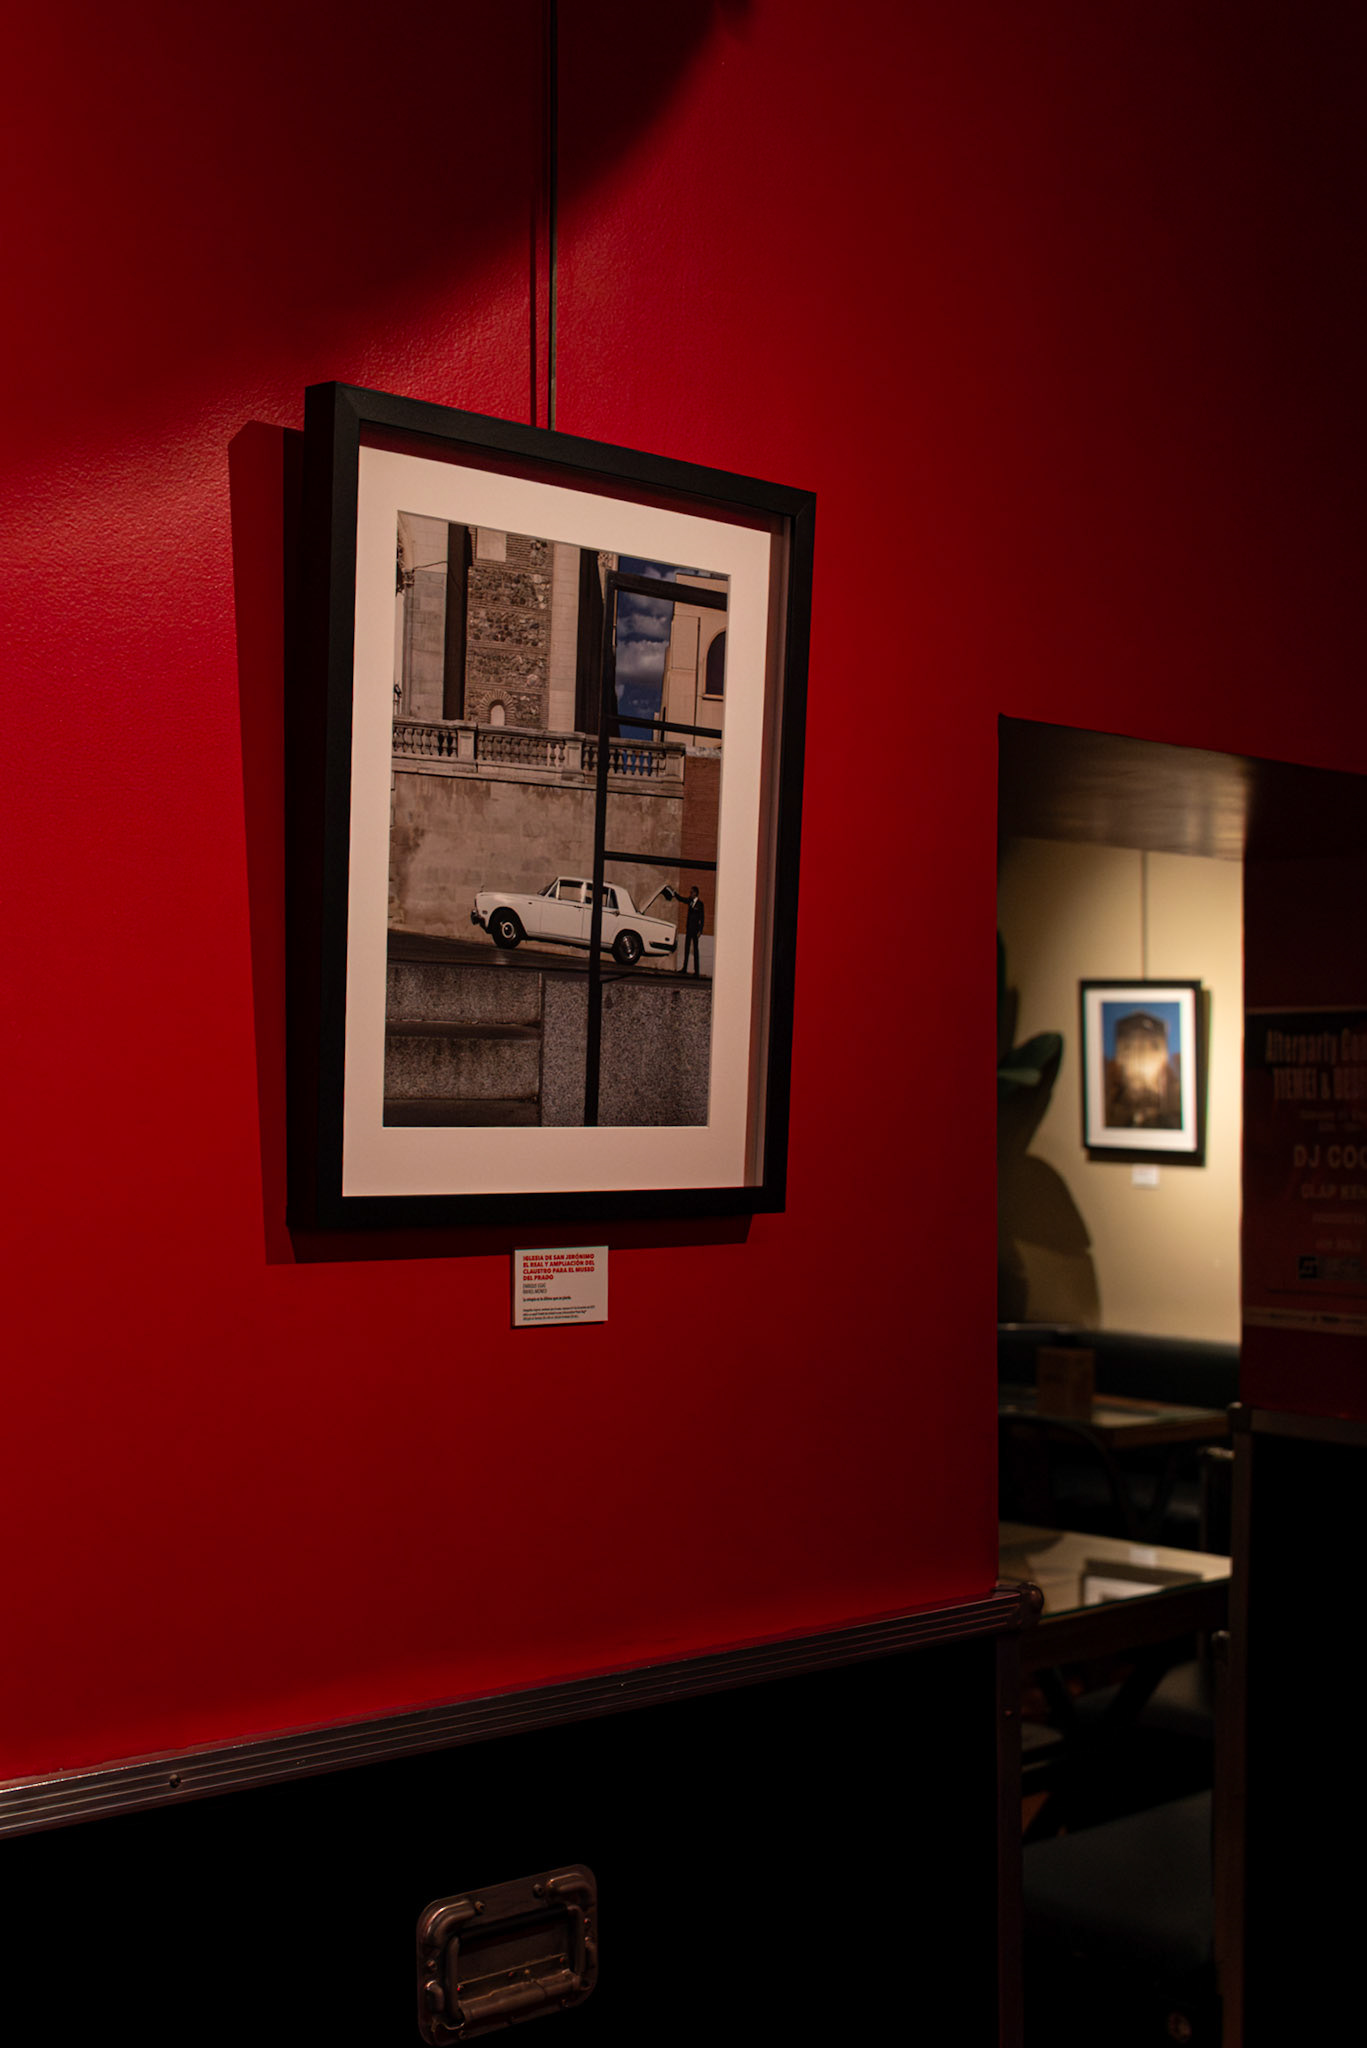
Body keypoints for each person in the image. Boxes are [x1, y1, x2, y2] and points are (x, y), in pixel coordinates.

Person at [680, 885, 705, 976]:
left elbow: (702, 918)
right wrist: (674, 894)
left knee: (695, 950)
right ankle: (684, 968)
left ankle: (696, 971)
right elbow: (682, 899)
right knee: (686, 948)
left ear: (695, 893)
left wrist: (700, 930)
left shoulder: (700, 904)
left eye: (691, 892)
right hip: (689, 929)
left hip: (695, 930)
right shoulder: (690, 901)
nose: (690, 894)